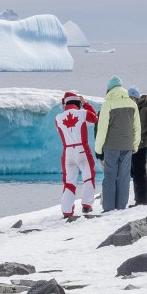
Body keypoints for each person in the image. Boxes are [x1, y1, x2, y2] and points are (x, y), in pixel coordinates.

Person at [93, 75, 140, 212]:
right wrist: (135, 145)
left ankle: (108, 208)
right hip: (127, 146)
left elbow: (102, 129)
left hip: (111, 147)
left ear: (110, 89)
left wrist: (98, 149)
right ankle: (121, 207)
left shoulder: (108, 104)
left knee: (110, 177)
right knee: (124, 177)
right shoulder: (132, 104)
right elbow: (137, 127)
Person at [55, 91, 98, 219]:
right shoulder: (82, 113)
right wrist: (86, 104)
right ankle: (86, 204)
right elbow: (95, 118)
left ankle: (67, 211)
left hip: (68, 151)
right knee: (88, 177)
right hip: (82, 150)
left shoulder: (58, 118)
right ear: (77, 102)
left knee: (69, 182)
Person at [128, 86, 147, 205]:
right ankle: (139, 199)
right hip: (138, 144)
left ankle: (143, 200)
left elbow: (141, 128)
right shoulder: (140, 107)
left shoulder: (143, 109)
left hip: (141, 144)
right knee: (137, 173)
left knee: (139, 172)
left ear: (134, 98)